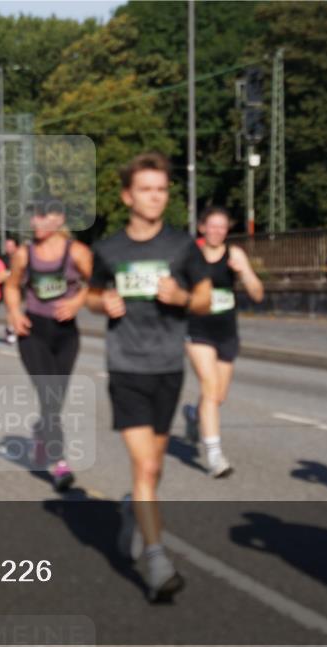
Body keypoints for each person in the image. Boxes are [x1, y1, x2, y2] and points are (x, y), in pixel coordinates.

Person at [86, 151, 211, 602]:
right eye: (146, 190)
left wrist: (180, 295)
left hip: (168, 367)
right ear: (127, 196)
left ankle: (130, 510)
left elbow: (205, 298)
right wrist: (105, 304)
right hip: (126, 366)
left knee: (151, 468)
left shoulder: (182, 247)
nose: (155, 197)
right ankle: (157, 559)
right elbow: (92, 295)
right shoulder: (110, 249)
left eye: (161, 190)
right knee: (147, 465)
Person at [4, 199, 92, 492]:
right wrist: (15, 313)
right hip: (34, 332)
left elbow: (97, 282)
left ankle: (42, 432)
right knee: (48, 393)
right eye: (34, 217)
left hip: (66, 334)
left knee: (56, 397)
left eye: (44, 216)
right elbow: (12, 285)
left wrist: (78, 300)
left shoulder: (77, 252)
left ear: (59, 219)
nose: (37, 223)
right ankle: (59, 463)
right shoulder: (23, 255)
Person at [182, 206, 265, 478]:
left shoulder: (235, 254)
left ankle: (194, 414)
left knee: (218, 396)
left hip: (226, 330)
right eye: (213, 226)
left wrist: (245, 272)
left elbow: (257, 295)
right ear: (202, 227)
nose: (218, 231)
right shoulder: (190, 253)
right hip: (197, 328)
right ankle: (215, 456)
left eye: (223, 226)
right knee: (210, 387)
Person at [3, 237, 20, 344]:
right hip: (7, 288)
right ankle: (10, 330)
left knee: (17, 309)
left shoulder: (21, 257)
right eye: (7, 246)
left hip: (20, 288)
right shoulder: (3, 258)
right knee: (10, 309)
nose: (8, 248)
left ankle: (14, 328)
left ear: (16, 247)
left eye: (11, 246)